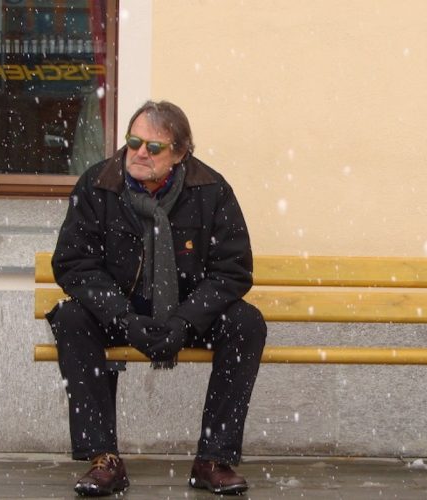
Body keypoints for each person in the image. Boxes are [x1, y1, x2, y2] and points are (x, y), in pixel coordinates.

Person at [48, 100, 267, 496]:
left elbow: (233, 269)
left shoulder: (212, 190)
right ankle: (104, 460)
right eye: (133, 141)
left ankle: (213, 459)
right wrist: (123, 319)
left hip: (185, 316)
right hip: (120, 312)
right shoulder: (98, 185)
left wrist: (186, 322)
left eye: (154, 147)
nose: (139, 152)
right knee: (71, 318)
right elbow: (74, 263)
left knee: (246, 323)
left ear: (180, 154)